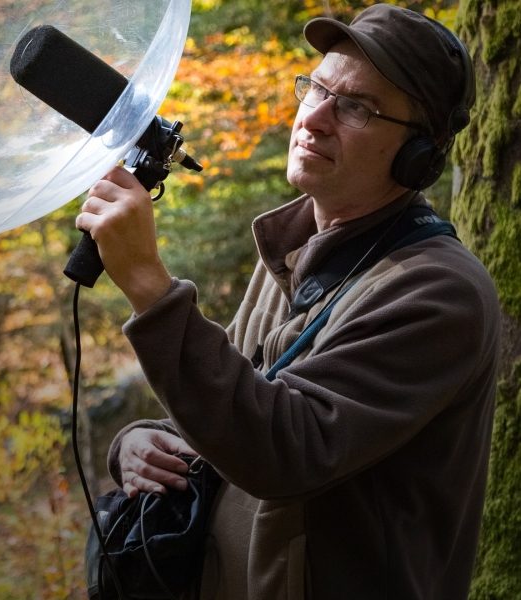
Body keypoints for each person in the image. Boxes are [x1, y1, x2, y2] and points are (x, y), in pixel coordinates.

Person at [75, 4, 500, 599]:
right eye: (318, 87)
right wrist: (143, 443)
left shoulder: (438, 292)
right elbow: (248, 397)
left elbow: (286, 449)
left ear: (419, 156)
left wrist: (150, 287)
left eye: (356, 106)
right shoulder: (297, 247)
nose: (316, 117)